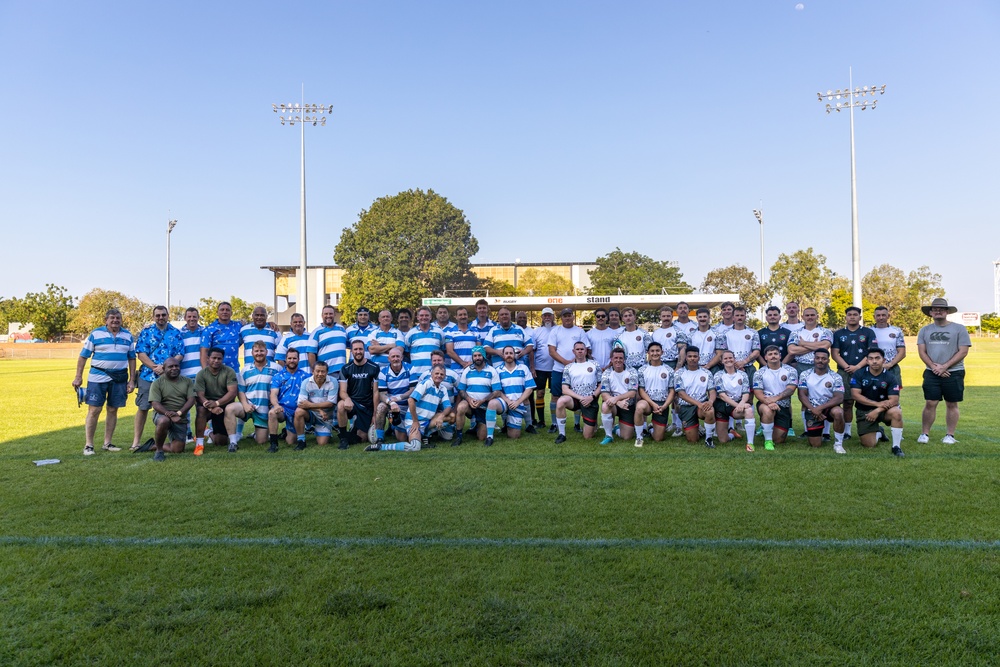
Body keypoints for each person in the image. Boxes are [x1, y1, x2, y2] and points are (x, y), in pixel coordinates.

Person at [73, 308, 136, 455]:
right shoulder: (95, 334)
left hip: (119, 378)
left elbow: (132, 358)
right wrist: (78, 376)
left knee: (113, 410)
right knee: (94, 410)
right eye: (112, 318)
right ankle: (89, 445)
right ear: (106, 320)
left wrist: (132, 380)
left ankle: (107, 443)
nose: (115, 320)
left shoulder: (127, 335)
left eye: (118, 318)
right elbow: (83, 356)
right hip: (97, 378)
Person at [916, 297, 971, 444]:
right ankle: (924, 434)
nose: (938, 311)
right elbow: (922, 352)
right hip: (931, 372)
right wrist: (935, 367)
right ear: (931, 312)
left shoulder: (959, 329)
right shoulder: (925, 330)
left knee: (951, 403)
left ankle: (950, 435)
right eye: (935, 309)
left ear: (947, 311)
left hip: (954, 372)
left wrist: (945, 366)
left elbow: (963, 351)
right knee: (930, 402)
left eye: (941, 309)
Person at [131, 305, 184, 452]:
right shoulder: (147, 332)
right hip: (148, 376)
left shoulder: (175, 333)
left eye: (163, 315)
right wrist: (155, 367)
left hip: (169, 378)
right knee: (143, 408)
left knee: (170, 407)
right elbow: (141, 353)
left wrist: (166, 367)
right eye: (158, 315)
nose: (161, 317)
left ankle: (170, 440)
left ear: (168, 315)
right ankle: (136, 441)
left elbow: (180, 354)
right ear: (154, 317)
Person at [367, 364, 454, 451]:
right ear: (431, 373)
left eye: (441, 374)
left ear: (445, 376)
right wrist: (415, 421)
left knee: (452, 417)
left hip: (427, 421)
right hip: (414, 421)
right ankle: (382, 447)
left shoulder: (443, 389)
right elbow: (411, 400)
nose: (439, 376)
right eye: (437, 373)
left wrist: (441, 416)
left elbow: (448, 407)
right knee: (414, 447)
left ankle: (425, 434)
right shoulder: (425, 384)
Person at [831, 306, 876, 441]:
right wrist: (847, 367)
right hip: (844, 372)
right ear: (846, 317)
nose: (852, 317)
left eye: (855, 315)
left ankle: (872, 429)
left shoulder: (868, 332)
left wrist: (857, 367)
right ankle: (847, 431)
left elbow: (871, 353)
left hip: (864, 371)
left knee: (867, 401)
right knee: (847, 402)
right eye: (849, 314)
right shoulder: (838, 334)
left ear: (860, 317)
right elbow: (834, 353)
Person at [850, 347, 905, 457]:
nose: (874, 361)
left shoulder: (891, 377)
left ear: (883, 360)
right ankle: (879, 432)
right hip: (865, 411)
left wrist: (878, 410)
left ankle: (896, 447)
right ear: (866, 361)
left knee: (897, 412)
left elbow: (894, 400)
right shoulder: (859, 374)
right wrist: (876, 404)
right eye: (870, 358)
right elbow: (855, 395)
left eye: (877, 358)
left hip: (884, 410)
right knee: (869, 444)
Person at [787, 307, 833, 435]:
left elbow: (825, 346)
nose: (810, 317)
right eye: (807, 315)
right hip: (802, 367)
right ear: (803, 316)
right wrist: (815, 346)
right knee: (805, 398)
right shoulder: (796, 333)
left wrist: (803, 344)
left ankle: (826, 432)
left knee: (825, 397)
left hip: (821, 366)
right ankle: (808, 430)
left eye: (813, 315)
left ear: (817, 316)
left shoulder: (825, 331)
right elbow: (792, 351)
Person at [224, 341, 275, 450]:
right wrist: (245, 404)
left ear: (266, 352)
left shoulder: (276, 368)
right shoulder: (246, 369)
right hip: (248, 405)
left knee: (261, 441)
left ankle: (256, 434)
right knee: (230, 408)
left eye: (261, 351)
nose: (259, 353)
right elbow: (241, 390)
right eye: (256, 351)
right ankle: (233, 442)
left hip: (264, 409)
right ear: (252, 353)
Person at [548, 309, 591, 433]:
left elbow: (585, 348)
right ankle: (554, 424)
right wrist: (566, 362)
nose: (567, 318)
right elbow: (552, 351)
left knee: (577, 396)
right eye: (564, 316)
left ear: (573, 317)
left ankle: (577, 424)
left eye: (569, 316)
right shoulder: (555, 331)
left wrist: (574, 362)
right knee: (555, 396)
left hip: (576, 370)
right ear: (561, 318)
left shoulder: (580, 331)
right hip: (558, 369)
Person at [797, 349, 846, 452]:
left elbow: (839, 397)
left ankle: (838, 444)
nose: (820, 360)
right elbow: (802, 395)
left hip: (829, 407)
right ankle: (819, 432)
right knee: (815, 445)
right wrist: (813, 409)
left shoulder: (835, 376)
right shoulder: (805, 374)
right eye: (817, 358)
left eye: (823, 358)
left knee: (838, 412)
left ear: (828, 360)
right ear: (813, 359)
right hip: (812, 408)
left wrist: (820, 408)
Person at [454, 346, 504, 447]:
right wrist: (469, 399)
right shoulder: (467, 370)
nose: (477, 358)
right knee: (461, 407)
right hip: (469, 403)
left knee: (481, 437)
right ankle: (458, 436)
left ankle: (477, 426)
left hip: (484, 406)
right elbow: (461, 389)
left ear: (484, 356)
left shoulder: (492, 371)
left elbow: (497, 391)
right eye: (475, 356)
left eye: (479, 355)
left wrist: (482, 401)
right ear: (472, 357)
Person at [553, 341, 602, 443]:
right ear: (573, 351)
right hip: (575, 399)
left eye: (582, 349)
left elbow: (601, 385)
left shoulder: (595, 364)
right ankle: (562, 434)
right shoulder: (568, 367)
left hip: (590, 399)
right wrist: (581, 398)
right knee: (561, 401)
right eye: (577, 349)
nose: (580, 351)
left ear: (586, 351)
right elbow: (565, 389)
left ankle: (593, 423)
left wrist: (592, 397)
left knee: (588, 436)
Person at [148, 358, 197, 461]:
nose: (174, 368)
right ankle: (159, 451)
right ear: (164, 368)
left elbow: (191, 400)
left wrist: (178, 414)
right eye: (170, 367)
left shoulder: (187, 381)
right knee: (163, 421)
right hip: (162, 414)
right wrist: (168, 414)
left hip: (180, 416)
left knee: (178, 449)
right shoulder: (157, 383)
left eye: (176, 366)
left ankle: (152, 445)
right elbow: (155, 403)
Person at [752, 345, 798, 451]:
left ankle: (769, 429)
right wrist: (769, 402)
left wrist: (775, 399)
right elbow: (758, 393)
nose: (773, 356)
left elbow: (791, 389)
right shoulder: (759, 373)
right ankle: (768, 441)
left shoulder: (790, 370)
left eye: (775, 354)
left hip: (784, 406)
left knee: (779, 440)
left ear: (780, 356)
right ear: (766, 357)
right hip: (765, 403)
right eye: (770, 354)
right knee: (768, 411)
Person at [194, 347, 239, 454]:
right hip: (207, 405)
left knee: (220, 441)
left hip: (222, 406)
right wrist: (211, 406)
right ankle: (199, 444)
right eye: (213, 358)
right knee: (201, 411)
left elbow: (232, 392)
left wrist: (217, 403)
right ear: (208, 358)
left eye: (219, 358)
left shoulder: (229, 371)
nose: (216, 361)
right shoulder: (201, 374)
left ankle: (208, 431)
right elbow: (199, 395)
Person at [337, 339, 381, 448]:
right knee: (341, 405)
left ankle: (354, 430)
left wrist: (375, 414)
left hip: (367, 406)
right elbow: (342, 391)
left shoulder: (374, 367)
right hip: (352, 403)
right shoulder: (346, 368)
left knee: (363, 438)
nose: (358, 352)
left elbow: (376, 392)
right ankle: (343, 438)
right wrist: (347, 399)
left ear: (364, 350)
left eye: (360, 349)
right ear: (351, 351)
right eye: (355, 349)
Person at [673, 347, 718, 447]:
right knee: (692, 440)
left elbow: (712, 391)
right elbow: (681, 394)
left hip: (702, 405)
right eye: (689, 356)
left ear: (699, 357)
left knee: (710, 411)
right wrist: (699, 404)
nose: (692, 358)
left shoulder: (706, 372)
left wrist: (710, 402)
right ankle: (699, 430)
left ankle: (708, 439)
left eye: (695, 356)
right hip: (686, 407)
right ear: (686, 358)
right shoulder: (679, 373)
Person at [374, 347, 418, 445]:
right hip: (391, 404)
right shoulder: (383, 372)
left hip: (407, 404)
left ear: (402, 357)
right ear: (388, 359)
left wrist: (399, 398)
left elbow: (413, 390)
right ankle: (380, 438)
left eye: (397, 356)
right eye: (393, 357)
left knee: (402, 439)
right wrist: (391, 402)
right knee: (381, 407)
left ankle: (394, 426)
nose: (395, 359)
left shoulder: (410, 368)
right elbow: (382, 394)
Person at [268, 348, 310, 451]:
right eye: (289, 358)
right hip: (283, 409)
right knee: (272, 413)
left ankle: (287, 432)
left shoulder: (306, 376)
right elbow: (273, 394)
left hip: (298, 411)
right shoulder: (278, 376)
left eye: (294, 358)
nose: (292, 360)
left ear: (298, 359)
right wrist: (276, 405)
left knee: (291, 441)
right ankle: (274, 443)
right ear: (285, 360)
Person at [634, 341, 676, 444]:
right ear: (648, 352)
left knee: (658, 438)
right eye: (652, 351)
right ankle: (639, 437)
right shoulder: (642, 370)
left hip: (662, 404)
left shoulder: (669, 370)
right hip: (648, 403)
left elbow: (672, 391)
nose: (655, 353)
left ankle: (652, 428)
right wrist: (653, 404)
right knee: (639, 407)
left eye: (657, 351)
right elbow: (641, 390)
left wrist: (665, 406)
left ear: (662, 352)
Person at [713, 350, 754, 451]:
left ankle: (750, 443)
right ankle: (732, 434)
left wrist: (742, 403)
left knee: (749, 411)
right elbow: (722, 395)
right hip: (722, 406)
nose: (728, 360)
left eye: (730, 357)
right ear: (722, 361)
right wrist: (738, 405)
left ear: (734, 359)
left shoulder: (743, 374)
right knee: (723, 440)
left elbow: (746, 393)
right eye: (725, 358)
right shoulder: (718, 375)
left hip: (737, 404)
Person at [292, 360, 338, 448]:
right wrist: (319, 410)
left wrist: (309, 405)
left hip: (325, 418)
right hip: (311, 414)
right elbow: (301, 403)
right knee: (299, 411)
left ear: (327, 372)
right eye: (317, 371)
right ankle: (301, 440)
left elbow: (330, 404)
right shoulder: (306, 382)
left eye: (323, 371)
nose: (320, 374)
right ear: (313, 371)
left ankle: (322, 431)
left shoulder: (333, 382)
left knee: (322, 443)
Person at [598, 348, 639, 445]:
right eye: (615, 358)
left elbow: (632, 393)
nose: (618, 360)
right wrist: (618, 402)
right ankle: (608, 435)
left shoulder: (632, 371)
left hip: (627, 405)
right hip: (614, 405)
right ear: (611, 359)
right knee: (605, 406)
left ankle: (616, 429)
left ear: (624, 359)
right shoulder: (606, 373)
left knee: (627, 437)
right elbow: (604, 394)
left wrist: (617, 399)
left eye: (621, 358)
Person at [497, 346, 537, 440]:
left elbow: (530, 388)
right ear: (503, 355)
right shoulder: (497, 370)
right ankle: (505, 425)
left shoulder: (523, 368)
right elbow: (497, 390)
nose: (509, 355)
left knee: (514, 436)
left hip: (519, 403)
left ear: (515, 354)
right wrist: (508, 401)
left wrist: (518, 402)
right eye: (506, 353)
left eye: (511, 353)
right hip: (506, 402)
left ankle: (529, 425)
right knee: (496, 402)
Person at [178, 306, 204, 442]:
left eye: (194, 316)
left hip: (201, 376)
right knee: (185, 407)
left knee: (203, 406)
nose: (192, 319)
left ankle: (206, 433)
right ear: (185, 318)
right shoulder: (178, 333)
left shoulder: (204, 332)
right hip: (184, 376)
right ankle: (187, 434)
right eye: (189, 317)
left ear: (198, 318)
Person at [532, 307, 557, 429]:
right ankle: (541, 421)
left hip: (555, 368)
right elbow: (533, 350)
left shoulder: (558, 329)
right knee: (540, 393)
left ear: (553, 316)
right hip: (540, 368)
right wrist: (532, 367)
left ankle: (555, 422)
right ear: (541, 317)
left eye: (549, 315)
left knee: (555, 396)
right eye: (545, 315)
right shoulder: (536, 331)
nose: (547, 317)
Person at [200, 302, 242, 372]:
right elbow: (204, 352)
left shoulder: (238, 326)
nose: (225, 312)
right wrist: (206, 372)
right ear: (217, 312)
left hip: (234, 371)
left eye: (227, 310)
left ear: (231, 313)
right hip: (216, 371)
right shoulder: (210, 329)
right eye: (222, 310)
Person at [871, 306, 907, 387]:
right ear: (874, 317)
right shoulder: (869, 331)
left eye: (883, 315)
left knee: (893, 396)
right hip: (873, 368)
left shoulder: (896, 331)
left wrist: (890, 364)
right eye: (878, 315)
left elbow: (902, 352)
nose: (881, 318)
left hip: (892, 368)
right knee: (873, 396)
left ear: (888, 316)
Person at [405, 306, 446, 375]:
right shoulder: (411, 333)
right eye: (421, 315)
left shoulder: (439, 332)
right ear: (417, 317)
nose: (424, 317)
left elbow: (443, 351)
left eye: (426, 315)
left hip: (435, 373)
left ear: (430, 317)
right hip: (416, 373)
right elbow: (406, 352)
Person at [312, 305, 348, 375]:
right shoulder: (316, 332)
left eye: (330, 313)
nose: (328, 316)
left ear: (334, 314)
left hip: (342, 371)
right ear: (322, 315)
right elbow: (311, 353)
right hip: (325, 372)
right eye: (326, 314)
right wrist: (316, 371)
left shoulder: (342, 329)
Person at [650, 305, 688, 371]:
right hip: (657, 364)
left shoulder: (679, 332)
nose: (666, 318)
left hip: (672, 364)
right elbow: (651, 351)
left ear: (672, 317)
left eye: (668, 316)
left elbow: (682, 350)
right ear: (660, 317)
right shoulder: (655, 333)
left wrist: (678, 368)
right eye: (664, 316)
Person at [445, 306, 478, 371]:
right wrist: (463, 363)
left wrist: (472, 363)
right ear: (456, 317)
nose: (463, 317)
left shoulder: (475, 331)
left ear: (467, 316)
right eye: (460, 315)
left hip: (473, 368)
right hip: (456, 370)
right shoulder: (449, 332)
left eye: (465, 314)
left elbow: (479, 350)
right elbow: (449, 352)